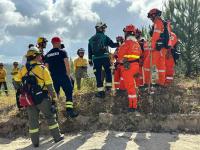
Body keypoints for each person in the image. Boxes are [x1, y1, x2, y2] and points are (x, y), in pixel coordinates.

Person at [14, 47, 64, 147]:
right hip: (43, 98)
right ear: (35, 57)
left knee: (33, 122)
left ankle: (35, 143)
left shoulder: (23, 69)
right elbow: (50, 86)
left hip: (29, 99)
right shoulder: (42, 69)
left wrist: (21, 89)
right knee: (50, 117)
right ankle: (57, 137)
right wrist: (54, 99)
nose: (41, 57)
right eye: (39, 55)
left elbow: (15, 80)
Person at [45, 37, 78, 118]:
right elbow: (67, 65)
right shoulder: (62, 52)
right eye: (59, 42)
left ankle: (54, 112)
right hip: (63, 76)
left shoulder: (47, 55)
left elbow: (46, 69)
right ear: (57, 43)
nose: (60, 44)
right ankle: (70, 111)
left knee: (54, 95)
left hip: (53, 78)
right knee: (69, 92)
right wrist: (68, 75)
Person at [88, 21, 119, 98]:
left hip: (95, 59)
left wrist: (90, 60)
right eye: (103, 28)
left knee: (98, 75)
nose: (104, 30)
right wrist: (120, 43)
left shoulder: (91, 39)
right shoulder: (105, 37)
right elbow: (112, 45)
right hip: (105, 57)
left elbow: (90, 51)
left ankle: (101, 92)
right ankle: (108, 87)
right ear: (99, 28)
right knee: (108, 71)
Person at [117, 24, 142, 112]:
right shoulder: (137, 44)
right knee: (132, 86)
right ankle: (133, 104)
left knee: (130, 87)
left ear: (126, 33)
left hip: (128, 67)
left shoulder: (126, 43)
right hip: (136, 66)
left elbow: (120, 56)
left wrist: (122, 61)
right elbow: (139, 54)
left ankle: (133, 106)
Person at [147, 8, 169, 87]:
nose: (151, 19)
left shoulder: (158, 22)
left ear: (154, 15)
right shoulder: (162, 22)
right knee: (161, 66)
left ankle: (153, 82)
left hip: (157, 48)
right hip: (162, 48)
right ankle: (161, 82)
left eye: (151, 17)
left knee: (153, 65)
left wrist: (152, 47)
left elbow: (155, 36)